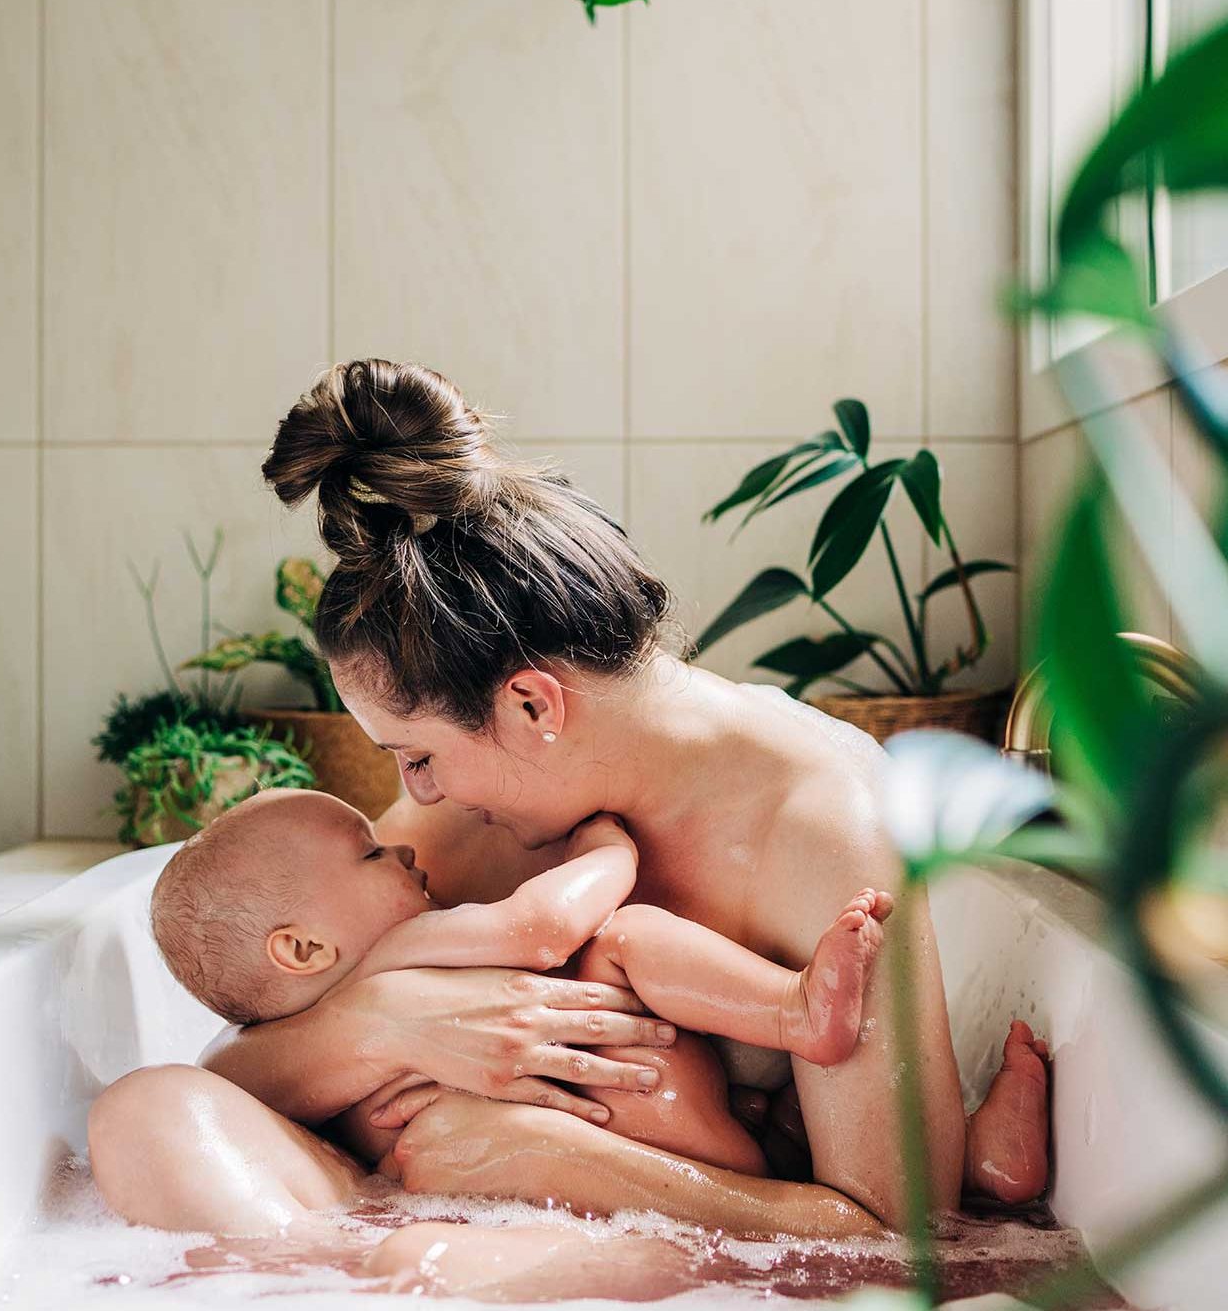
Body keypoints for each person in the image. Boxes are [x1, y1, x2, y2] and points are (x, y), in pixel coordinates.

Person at [90, 358, 1047, 1247]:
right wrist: (383, 1027)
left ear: (530, 704)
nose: (410, 793)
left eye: (417, 756)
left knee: (422, 1269)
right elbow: (247, 1055)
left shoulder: (822, 834)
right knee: (147, 1113)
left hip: (649, 1230)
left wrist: (563, 1161)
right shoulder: (469, 816)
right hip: (441, 1196)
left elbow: (897, 1239)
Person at [147, 787, 896, 1176]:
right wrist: (602, 840)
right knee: (623, 939)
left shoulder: (301, 1072)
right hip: (630, 1107)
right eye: (372, 855)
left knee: (777, 1127)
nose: (403, 850)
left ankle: (985, 1158)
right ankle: (795, 1011)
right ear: (305, 947)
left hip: (641, 1135)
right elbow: (543, 928)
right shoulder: (400, 951)